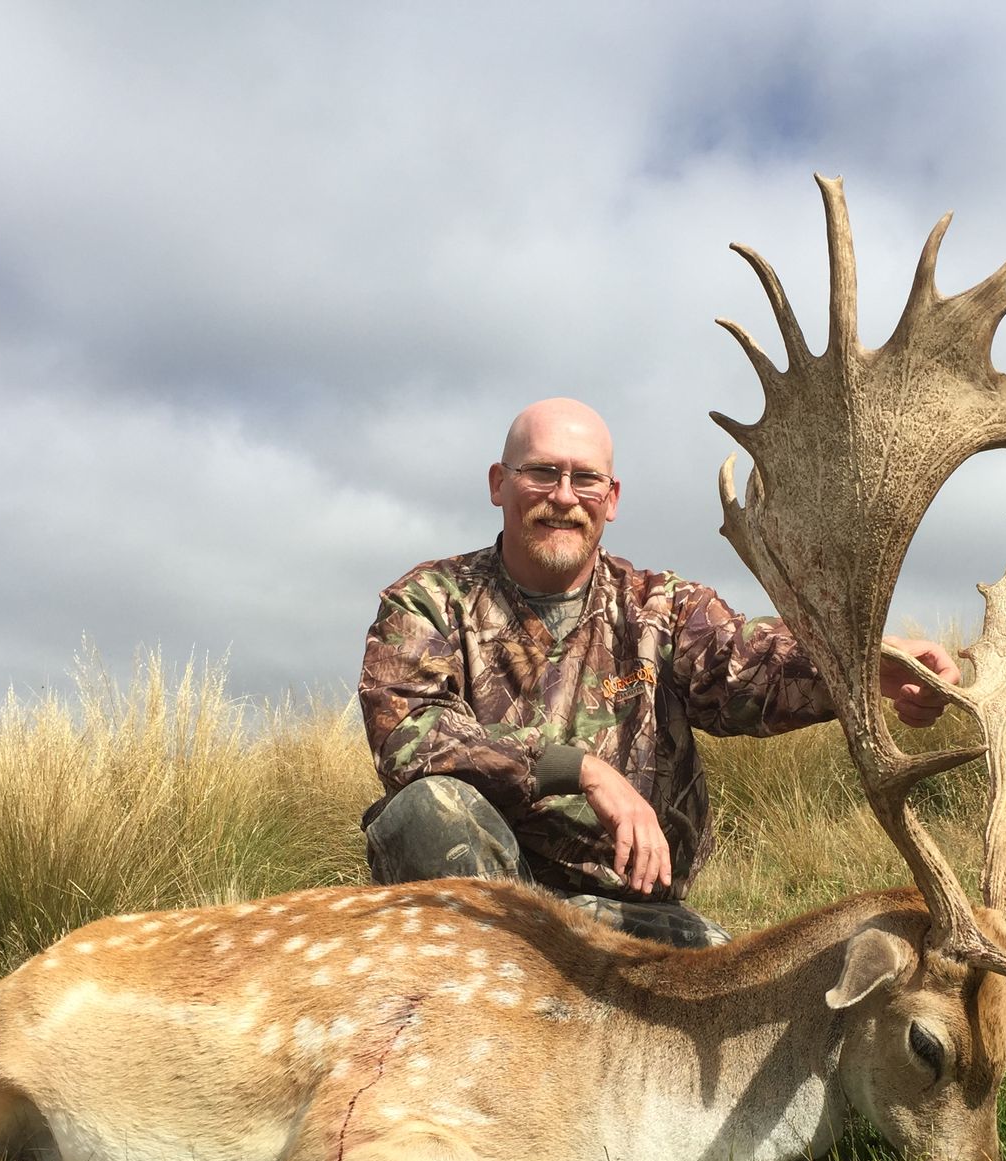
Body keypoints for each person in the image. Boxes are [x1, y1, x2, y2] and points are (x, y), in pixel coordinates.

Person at [357, 398, 960, 947]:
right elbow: (410, 730)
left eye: (585, 478)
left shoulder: (658, 608)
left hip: (621, 911)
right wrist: (583, 770)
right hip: (484, 911)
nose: (564, 496)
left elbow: (755, 660)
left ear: (611, 497)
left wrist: (874, 663)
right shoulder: (430, 600)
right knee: (427, 808)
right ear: (499, 483)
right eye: (542, 472)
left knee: (737, 994)